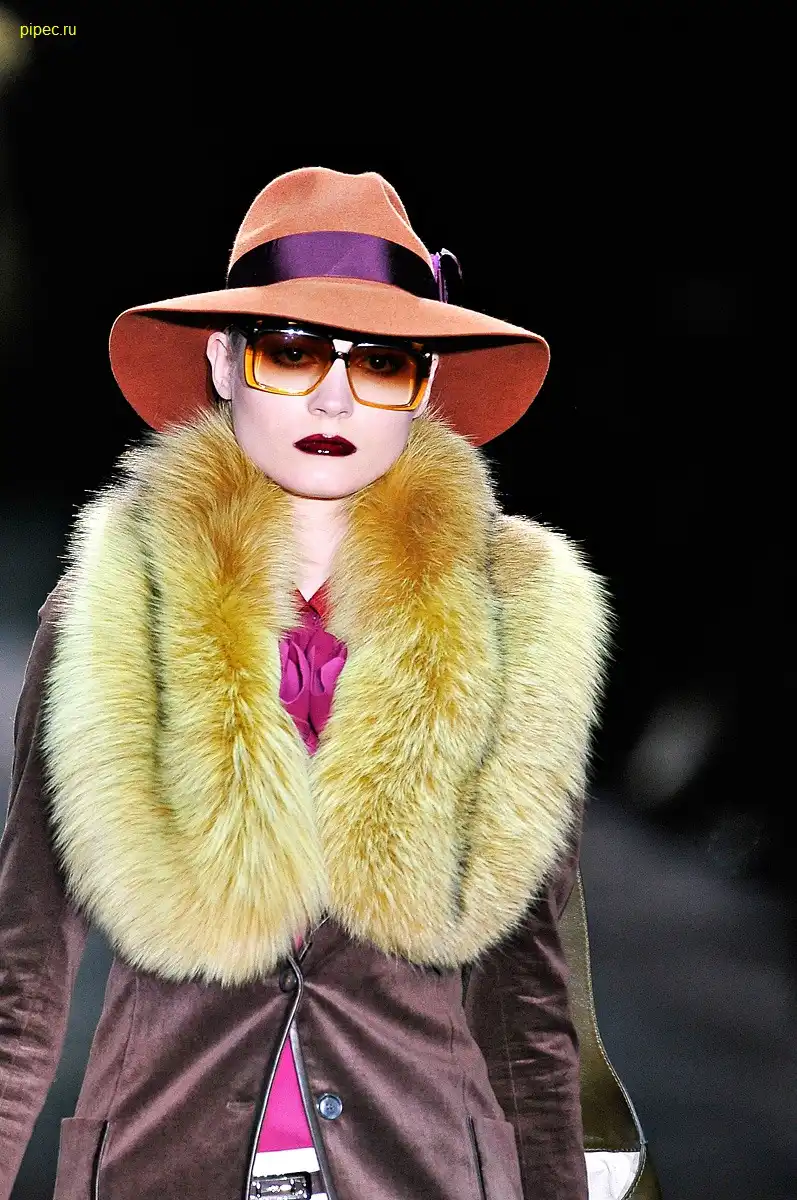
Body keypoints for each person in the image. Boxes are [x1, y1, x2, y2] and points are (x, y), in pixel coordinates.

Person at [0, 167, 611, 1200]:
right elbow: (23, 965)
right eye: (290, 351)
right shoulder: (117, 606)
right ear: (222, 361)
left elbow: (528, 999)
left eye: (379, 362)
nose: (334, 395)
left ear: (422, 385)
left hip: (424, 1167)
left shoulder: (513, 617)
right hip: (159, 1162)